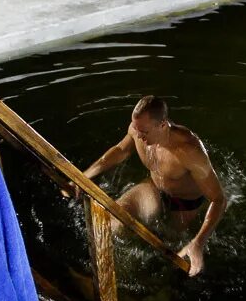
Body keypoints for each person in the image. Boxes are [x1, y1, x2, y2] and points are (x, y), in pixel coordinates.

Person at [77, 96, 227, 276]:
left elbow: (218, 199)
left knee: (169, 254)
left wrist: (198, 243)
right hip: (154, 188)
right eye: (136, 128)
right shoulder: (137, 129)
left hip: (185, 203)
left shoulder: (189, 151)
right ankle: (101, 272)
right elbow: (120, 150)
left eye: (144, 132)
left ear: (163, 125)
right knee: (115, 220)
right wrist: (83, 176)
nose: (138, 135)